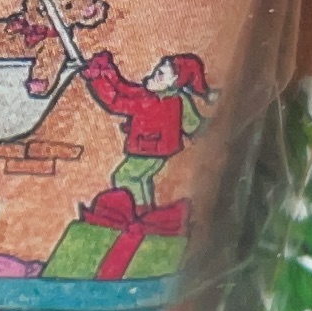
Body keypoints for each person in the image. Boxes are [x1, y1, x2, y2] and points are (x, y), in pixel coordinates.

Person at [78, 51, 213, 206]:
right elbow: (124, 88)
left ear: (174, 81)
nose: (153, 75)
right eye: (157, 71)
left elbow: (114, 102)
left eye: (160, 75)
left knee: (125, 177)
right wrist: (107, 70)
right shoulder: (175, 98)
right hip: (157, 151)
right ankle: (145, 212)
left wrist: (96, 79)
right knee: (140, 179)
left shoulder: (149, 102)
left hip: (146, 149)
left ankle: (138, 213)